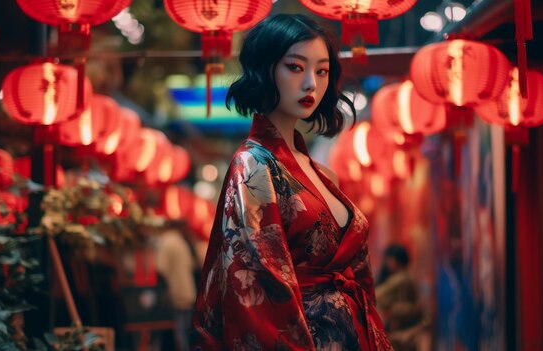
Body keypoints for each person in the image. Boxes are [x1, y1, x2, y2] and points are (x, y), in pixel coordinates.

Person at [192, 14, 393, 350]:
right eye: (296, 67)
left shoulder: (323, 174)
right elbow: (258, 286)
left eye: (322, 70)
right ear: (266, 69)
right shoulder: (253, 165)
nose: (311, 84)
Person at [155, 220, 199, 351]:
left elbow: (161, 268)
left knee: (179, 331)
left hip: (176, 294)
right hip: (187, 292)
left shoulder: (166, 241)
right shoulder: (180, 241)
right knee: (186, 332)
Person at [375, 244, 425, 351]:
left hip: (401, 334)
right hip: (407, 334)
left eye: (389, 259)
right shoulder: (410, 276)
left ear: (396, 260)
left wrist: (393, 309)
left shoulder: (400, 279)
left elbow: (378, 295)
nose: (387, 263)